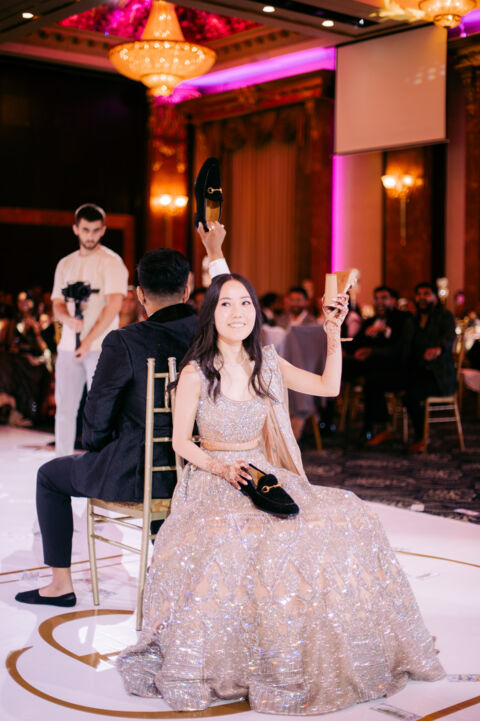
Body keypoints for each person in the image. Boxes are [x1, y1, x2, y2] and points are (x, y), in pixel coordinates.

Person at [117, 274, 444, 715]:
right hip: (213, 477)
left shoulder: (267, 363)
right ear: (211, 314)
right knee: (247, 536)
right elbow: (180, 442)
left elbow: (328, 387)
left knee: (347, 514)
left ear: (256, 312)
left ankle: (305, 650)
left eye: (245, 304)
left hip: (263, 474)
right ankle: (250, 655)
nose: (238, 313)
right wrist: (221, 468)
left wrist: (333, 334)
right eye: (226, 304)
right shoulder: (196, 372)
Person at [14, 228, 229, 608]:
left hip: (137, 472)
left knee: (50, 476)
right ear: (187, 288)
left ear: (140, 294)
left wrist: (99, 446)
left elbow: (96, 420)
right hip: (202, 470)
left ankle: (60, 585)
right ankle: (172, 576)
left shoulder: (125, 340)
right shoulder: (215, 334)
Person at [51, 203, 128, 456]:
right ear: (76, 229)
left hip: (100, 348)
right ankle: (61, 463)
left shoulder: (111, 262)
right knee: (65, 409)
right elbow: (57, 304)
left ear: (103, 230)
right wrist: (67, 319)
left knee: (101, 410)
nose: (90, 236)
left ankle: (100, 463)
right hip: (68, 347)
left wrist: (87, 341)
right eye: (85, 230)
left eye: (96, 230)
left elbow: (113, 305)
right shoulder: (65, 264)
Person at [343, 286, 414, 444]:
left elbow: (400, 349)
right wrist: (342, 349)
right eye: (376, 298)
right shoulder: (370, 321)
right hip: (371, 365)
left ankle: (379, 427)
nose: (379, 302)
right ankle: (326, 417)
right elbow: (356, 343)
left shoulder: (404, 319)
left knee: (372, 381)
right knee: (339, 367)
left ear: (393, 301)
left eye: (384, 298)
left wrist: (374, 347)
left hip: (396, 368)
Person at [404, 282, 456, 453]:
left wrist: (439, 349)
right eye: (419, 294)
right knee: (387, 381)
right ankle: (386, 430)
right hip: (417, 371)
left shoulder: (444, 316)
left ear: (435, 297)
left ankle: (422, 437)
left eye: (426, 294)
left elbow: (449, 337)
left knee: (411, 395)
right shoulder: (413, 320)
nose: (422, 298)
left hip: (439, 376)